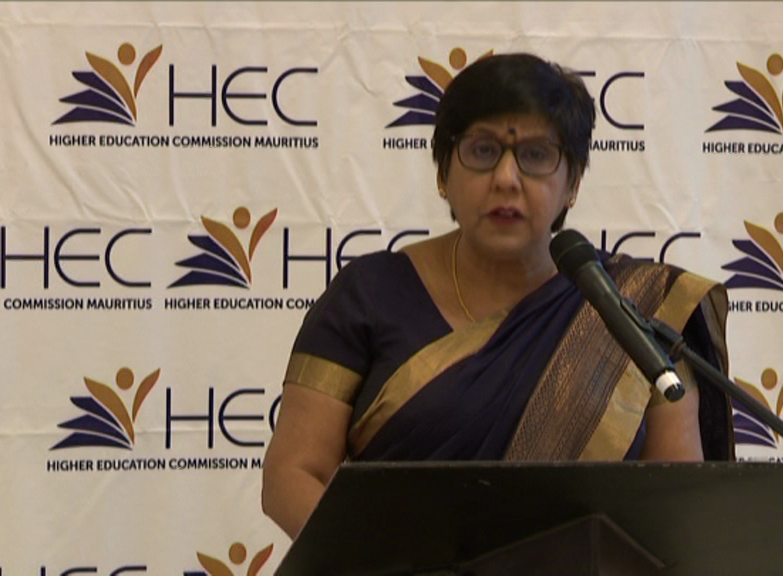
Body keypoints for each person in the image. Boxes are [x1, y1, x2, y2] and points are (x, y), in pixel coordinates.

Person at [261, 52, 734, 540]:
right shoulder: (368, 294)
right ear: (443, 174)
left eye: (536, 155)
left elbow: (676, 513)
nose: (507, 179)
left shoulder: (639, 307)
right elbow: (291, 476)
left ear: (572, 183)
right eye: (483, 150)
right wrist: (384, 565)